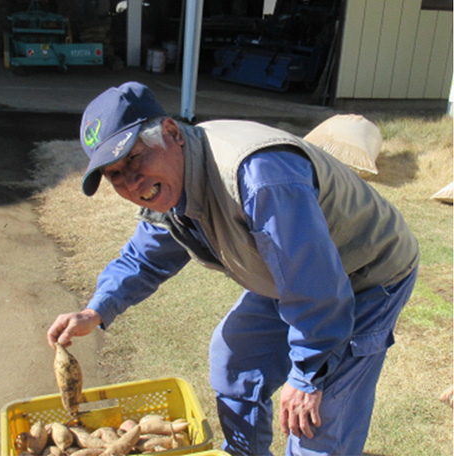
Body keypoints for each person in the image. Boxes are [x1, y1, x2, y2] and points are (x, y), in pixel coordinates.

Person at [47, 82, 419, 456]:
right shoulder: (172, 182)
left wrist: (308, 376)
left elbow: (316, 286)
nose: (131, 182)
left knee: (316, 425)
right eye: (114, 174)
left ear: (171, 132)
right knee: (235, 360)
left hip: (366, 273)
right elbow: (145, 257)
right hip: (293, 272)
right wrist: (95, 310)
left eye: (134, 158)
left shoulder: (258, 178)